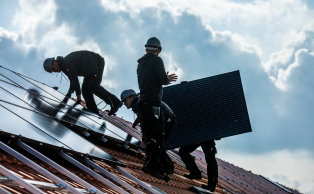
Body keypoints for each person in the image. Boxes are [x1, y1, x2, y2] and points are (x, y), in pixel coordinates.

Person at [136, 37, 178, 180]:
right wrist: (166, 78)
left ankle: (155, 166)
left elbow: (147, 80)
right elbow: (162, 80)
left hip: (142, 102)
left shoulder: (140, 64)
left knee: (149, 134)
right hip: (153, 101)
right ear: (159, 50)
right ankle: (152, 166)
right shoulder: (157, 60)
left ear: (146, 48)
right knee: (158, 134)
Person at [43, 50, 122, 115]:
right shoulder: (64, 66)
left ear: (55, 62)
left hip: (96, 63)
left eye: (53, 69)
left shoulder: (66, 63)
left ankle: (116, 102)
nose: (54, 71)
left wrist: (78, 97)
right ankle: (93, 112)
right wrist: (70, 92)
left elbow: (75, 79)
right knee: (85, 90)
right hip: (90, 71)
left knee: (92, 86)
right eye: (52, 71)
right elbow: (71, 79)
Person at [120, 89, 176, 179]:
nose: (124, 103)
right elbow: (143, 117)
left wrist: (143, 140)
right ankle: (167, 167)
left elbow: (144, 121)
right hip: (168, 119)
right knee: (157, 144)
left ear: (132, 97)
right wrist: (134, 124)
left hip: (164, 119)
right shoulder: (141, 101)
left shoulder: (137, 104)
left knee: (152, 143)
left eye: (125, 100)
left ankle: (154, 167)